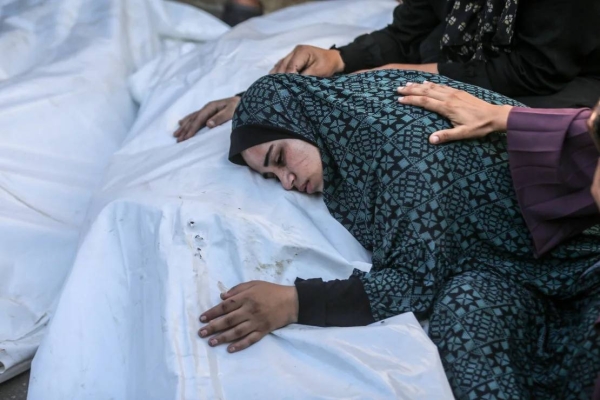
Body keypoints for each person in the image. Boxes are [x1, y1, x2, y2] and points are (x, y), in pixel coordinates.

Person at [195, 70, 600, 399]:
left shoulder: (401, 157)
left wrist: (294, 302)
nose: (285, 181)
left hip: (577, 265)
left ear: (301, 119)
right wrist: (247, 100)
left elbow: (417, 281)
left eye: (280, 160)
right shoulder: (347, 110)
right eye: (270, 176)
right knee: (466, 315)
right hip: (502, 265)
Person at [173, 0, 600, 142]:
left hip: (564, 86)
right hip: (484, 62)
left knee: (408, 113)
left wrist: (407, 72)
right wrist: (340, 60)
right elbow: (408, 30)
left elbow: (538, 70)